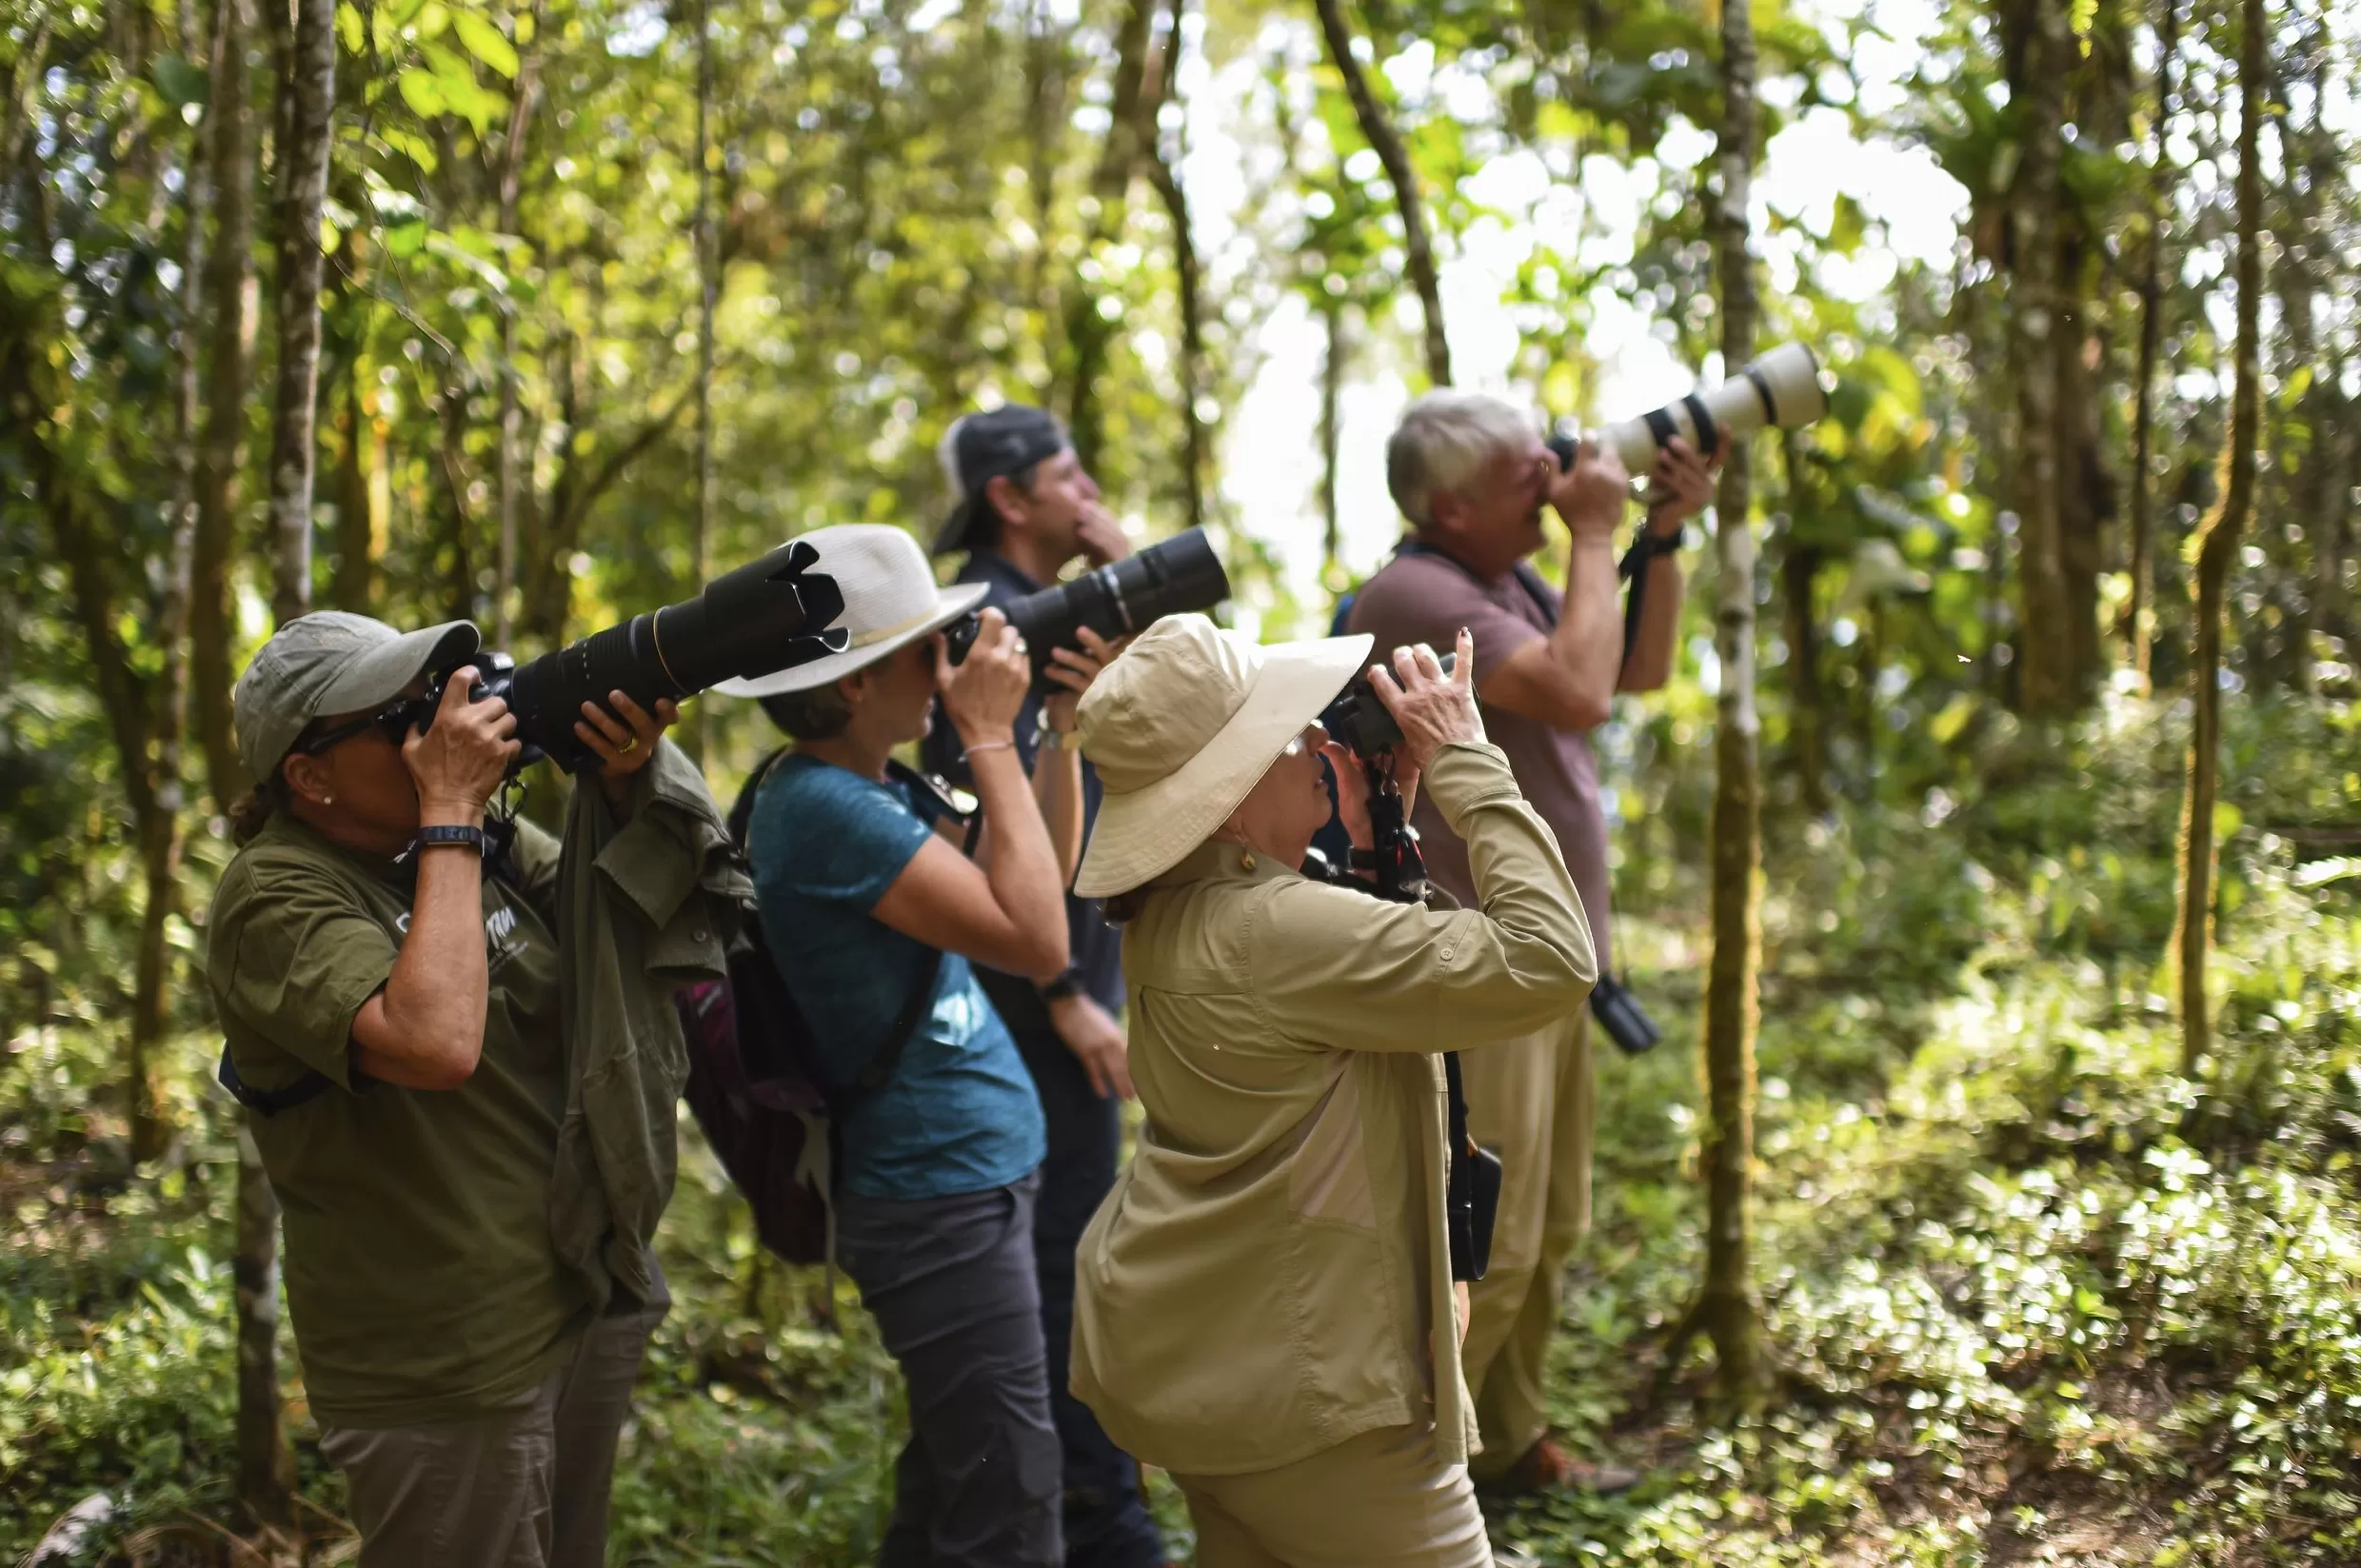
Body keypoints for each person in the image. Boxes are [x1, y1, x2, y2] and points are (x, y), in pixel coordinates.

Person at [1065, 614, 1597, 1568]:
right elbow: (1549, 959)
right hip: (1321, 1413)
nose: (1318, 743)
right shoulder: (1275, 931)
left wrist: (1374, 834)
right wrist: (1467, 758)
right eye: (1286, 736)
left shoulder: (1177, 911)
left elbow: (1347, 987)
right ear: (1225, 800)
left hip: (1215, 1367)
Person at [208, 610, 736, 1568]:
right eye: (399, 718)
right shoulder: (275, 897)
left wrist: (619, 775)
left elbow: (610, 919)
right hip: (446, 1365)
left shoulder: (465, 844)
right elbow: (435, 1040)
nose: (434, 733)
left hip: (574, 1281)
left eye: (435, 700)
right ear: (308, 775)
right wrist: (449, 813)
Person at [717, 523, 1117, 1568]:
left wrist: (1058, 734)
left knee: (956, 1476)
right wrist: (988, 733)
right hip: (935, 1196)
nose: (942, 665)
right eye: (923, 648)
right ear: (852, 685)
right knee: (1012, 1506)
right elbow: (1035, 941)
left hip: (968, 1183)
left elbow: (1030, 877)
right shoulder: (820, 808)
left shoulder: (863, 788)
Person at [1345, 392, 1716, 1495]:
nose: (1555, 479)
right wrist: (1599, 531)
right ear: (1448, 504)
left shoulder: (1499, 578)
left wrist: (1654, 536)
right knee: (1484, 1248)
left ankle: (1507, 1448)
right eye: (1527, 471)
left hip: (1550, 960)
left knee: (1549, 1227)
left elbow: (1629, 670)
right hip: (1478, 969)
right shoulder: (1415, 589)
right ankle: (1407, 1485)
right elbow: (1579, 690)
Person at [922, 404, 1165, 1568]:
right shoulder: (980, 624)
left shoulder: (1061, 622)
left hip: (1071, 996)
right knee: (1063, 1275)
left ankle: (998, 1523)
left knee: (1065, 1272)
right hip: (1029, 1013)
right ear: (1008, 497)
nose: (1088, 490)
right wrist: (1067, 988)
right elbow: (988, 838)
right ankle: (1104, 1527)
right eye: (1065, 474)